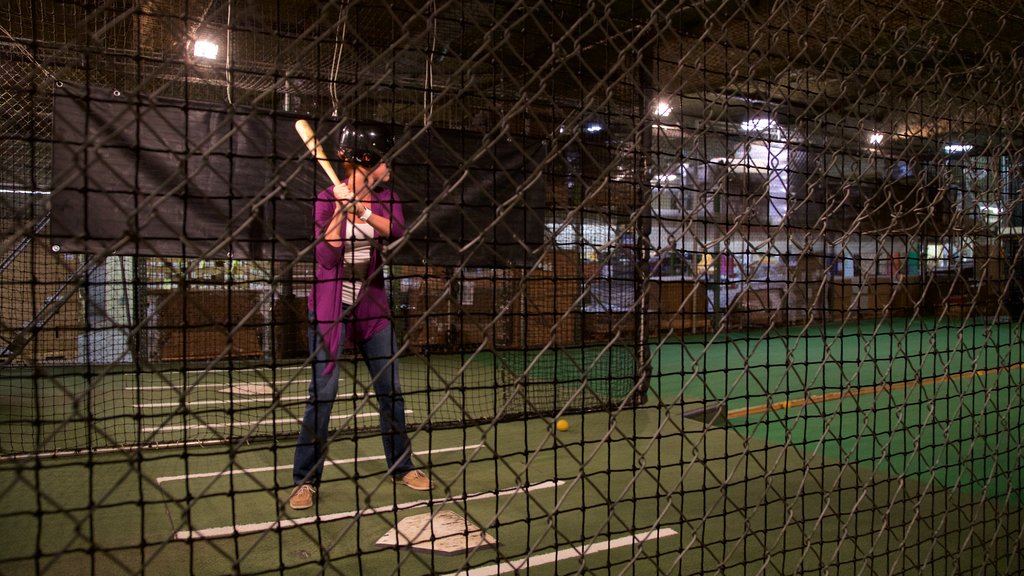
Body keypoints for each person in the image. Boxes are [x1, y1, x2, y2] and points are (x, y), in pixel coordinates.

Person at [290, 121, 430, 511]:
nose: (390, 166)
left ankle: (402, 467)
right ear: (367, 161)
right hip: (330, 307)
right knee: (324, 395)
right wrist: (339, 207)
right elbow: (327, 256)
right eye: (385, 159)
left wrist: (363, 211)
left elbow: (397, 230)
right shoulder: (325, 197)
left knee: (391, 391)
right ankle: (305, 479)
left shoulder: (387, 198)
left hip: (371, 306)